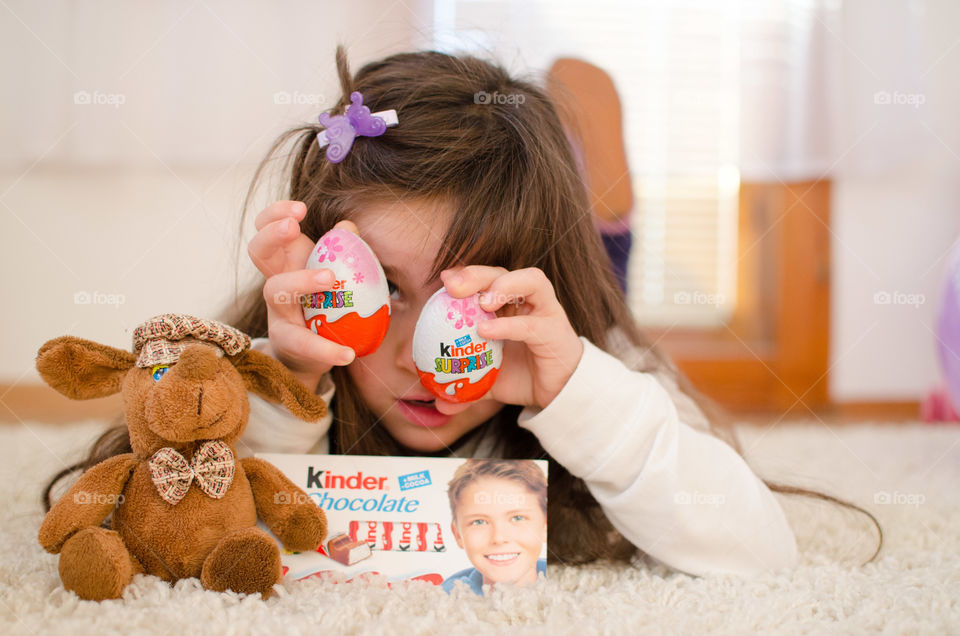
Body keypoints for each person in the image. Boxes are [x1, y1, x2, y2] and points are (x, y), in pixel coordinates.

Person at [47, 46, 881, 578]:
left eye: (460, 303)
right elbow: (177, 526)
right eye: (384, 293)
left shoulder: (603, 366)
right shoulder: (264, 357)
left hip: (569, 280)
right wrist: (289, 378)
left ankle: (597, 188)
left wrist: (573, 392)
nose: (415, 356)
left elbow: (762, 555)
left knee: (601, 255)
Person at [441, 459, 548, 595]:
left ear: (545, 526)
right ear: (457, 535)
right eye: (479, 522)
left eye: (517, 518)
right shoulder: (444, 600)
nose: (499, 538)